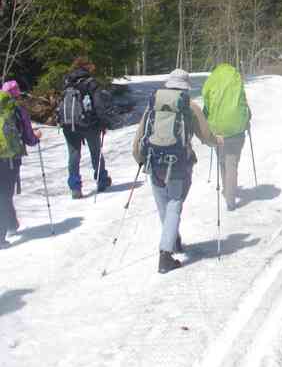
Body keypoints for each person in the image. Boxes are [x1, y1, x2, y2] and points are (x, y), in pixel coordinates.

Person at [132, 69, 214, 274]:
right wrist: (218, 141)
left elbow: (140, 135)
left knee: (164, 205)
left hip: (154, 162)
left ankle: (172, 239)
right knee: (174, 203)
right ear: (185, 86)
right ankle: (165, 255)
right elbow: (205, 135)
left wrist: (140, 159)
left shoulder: (153, 104)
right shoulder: (189, 105)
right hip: (178, 163)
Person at [59, 57, 112, 198]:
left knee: (73, 155)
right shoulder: (91, 82)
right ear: (87, 66)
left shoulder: (67, 81)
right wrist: (104, 122)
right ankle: (101, 180)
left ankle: (75, 187)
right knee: (95, 152)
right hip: (89, 124)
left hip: (69, 124)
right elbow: (98, 105)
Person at [201, 63, 251, 211]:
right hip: (237, 130)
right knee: (232, 164)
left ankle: (226, 190)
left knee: (222, 162)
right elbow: (243, 103)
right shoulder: (236, 79)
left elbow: (206, 104)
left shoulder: (212, 80)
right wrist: (247, 118)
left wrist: (206, 121)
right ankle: (230, 199)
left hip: (218, 131)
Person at [0, 81, 41, 245]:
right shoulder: (17, 110)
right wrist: (36, 138)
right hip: (9, 158)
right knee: (4, 194)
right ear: (16, 94)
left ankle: (11, 224)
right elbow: (29, 138)